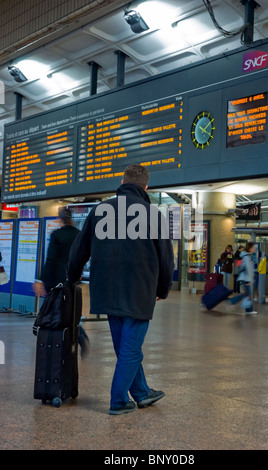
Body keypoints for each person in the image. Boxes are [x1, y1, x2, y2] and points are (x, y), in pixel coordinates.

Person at [67, 164, 174, 415]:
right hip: (139, 289)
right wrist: (163, 289)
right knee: (130, 347)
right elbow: (166, 259)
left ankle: (141, 392)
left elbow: (79, 250)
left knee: (125, 345)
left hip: (105, 288)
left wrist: (72, 277)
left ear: (122, 181)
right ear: (146, 187)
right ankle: (118, 400)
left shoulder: (100, 210)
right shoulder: (152, 212)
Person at [33, 206, 90, 357]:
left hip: (54, 280)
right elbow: (82, 256)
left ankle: (51, 339)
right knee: (69, 310)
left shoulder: (56, 235)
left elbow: (50, 259)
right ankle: (78, 335)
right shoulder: (78, 234)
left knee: (51, 310)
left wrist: (40, 279)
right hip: (71, 279)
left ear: (60, 219)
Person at [229, 242, 257, 315]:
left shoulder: (246, 255)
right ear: (250, 248)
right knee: (246, 294)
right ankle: (233, 301)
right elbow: (249, 269)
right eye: (254, 247)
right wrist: (250, 279)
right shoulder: (247, 256)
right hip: (246, 278)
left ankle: (249, 310)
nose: (255, 248)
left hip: (245, 277)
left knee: (248, 294)